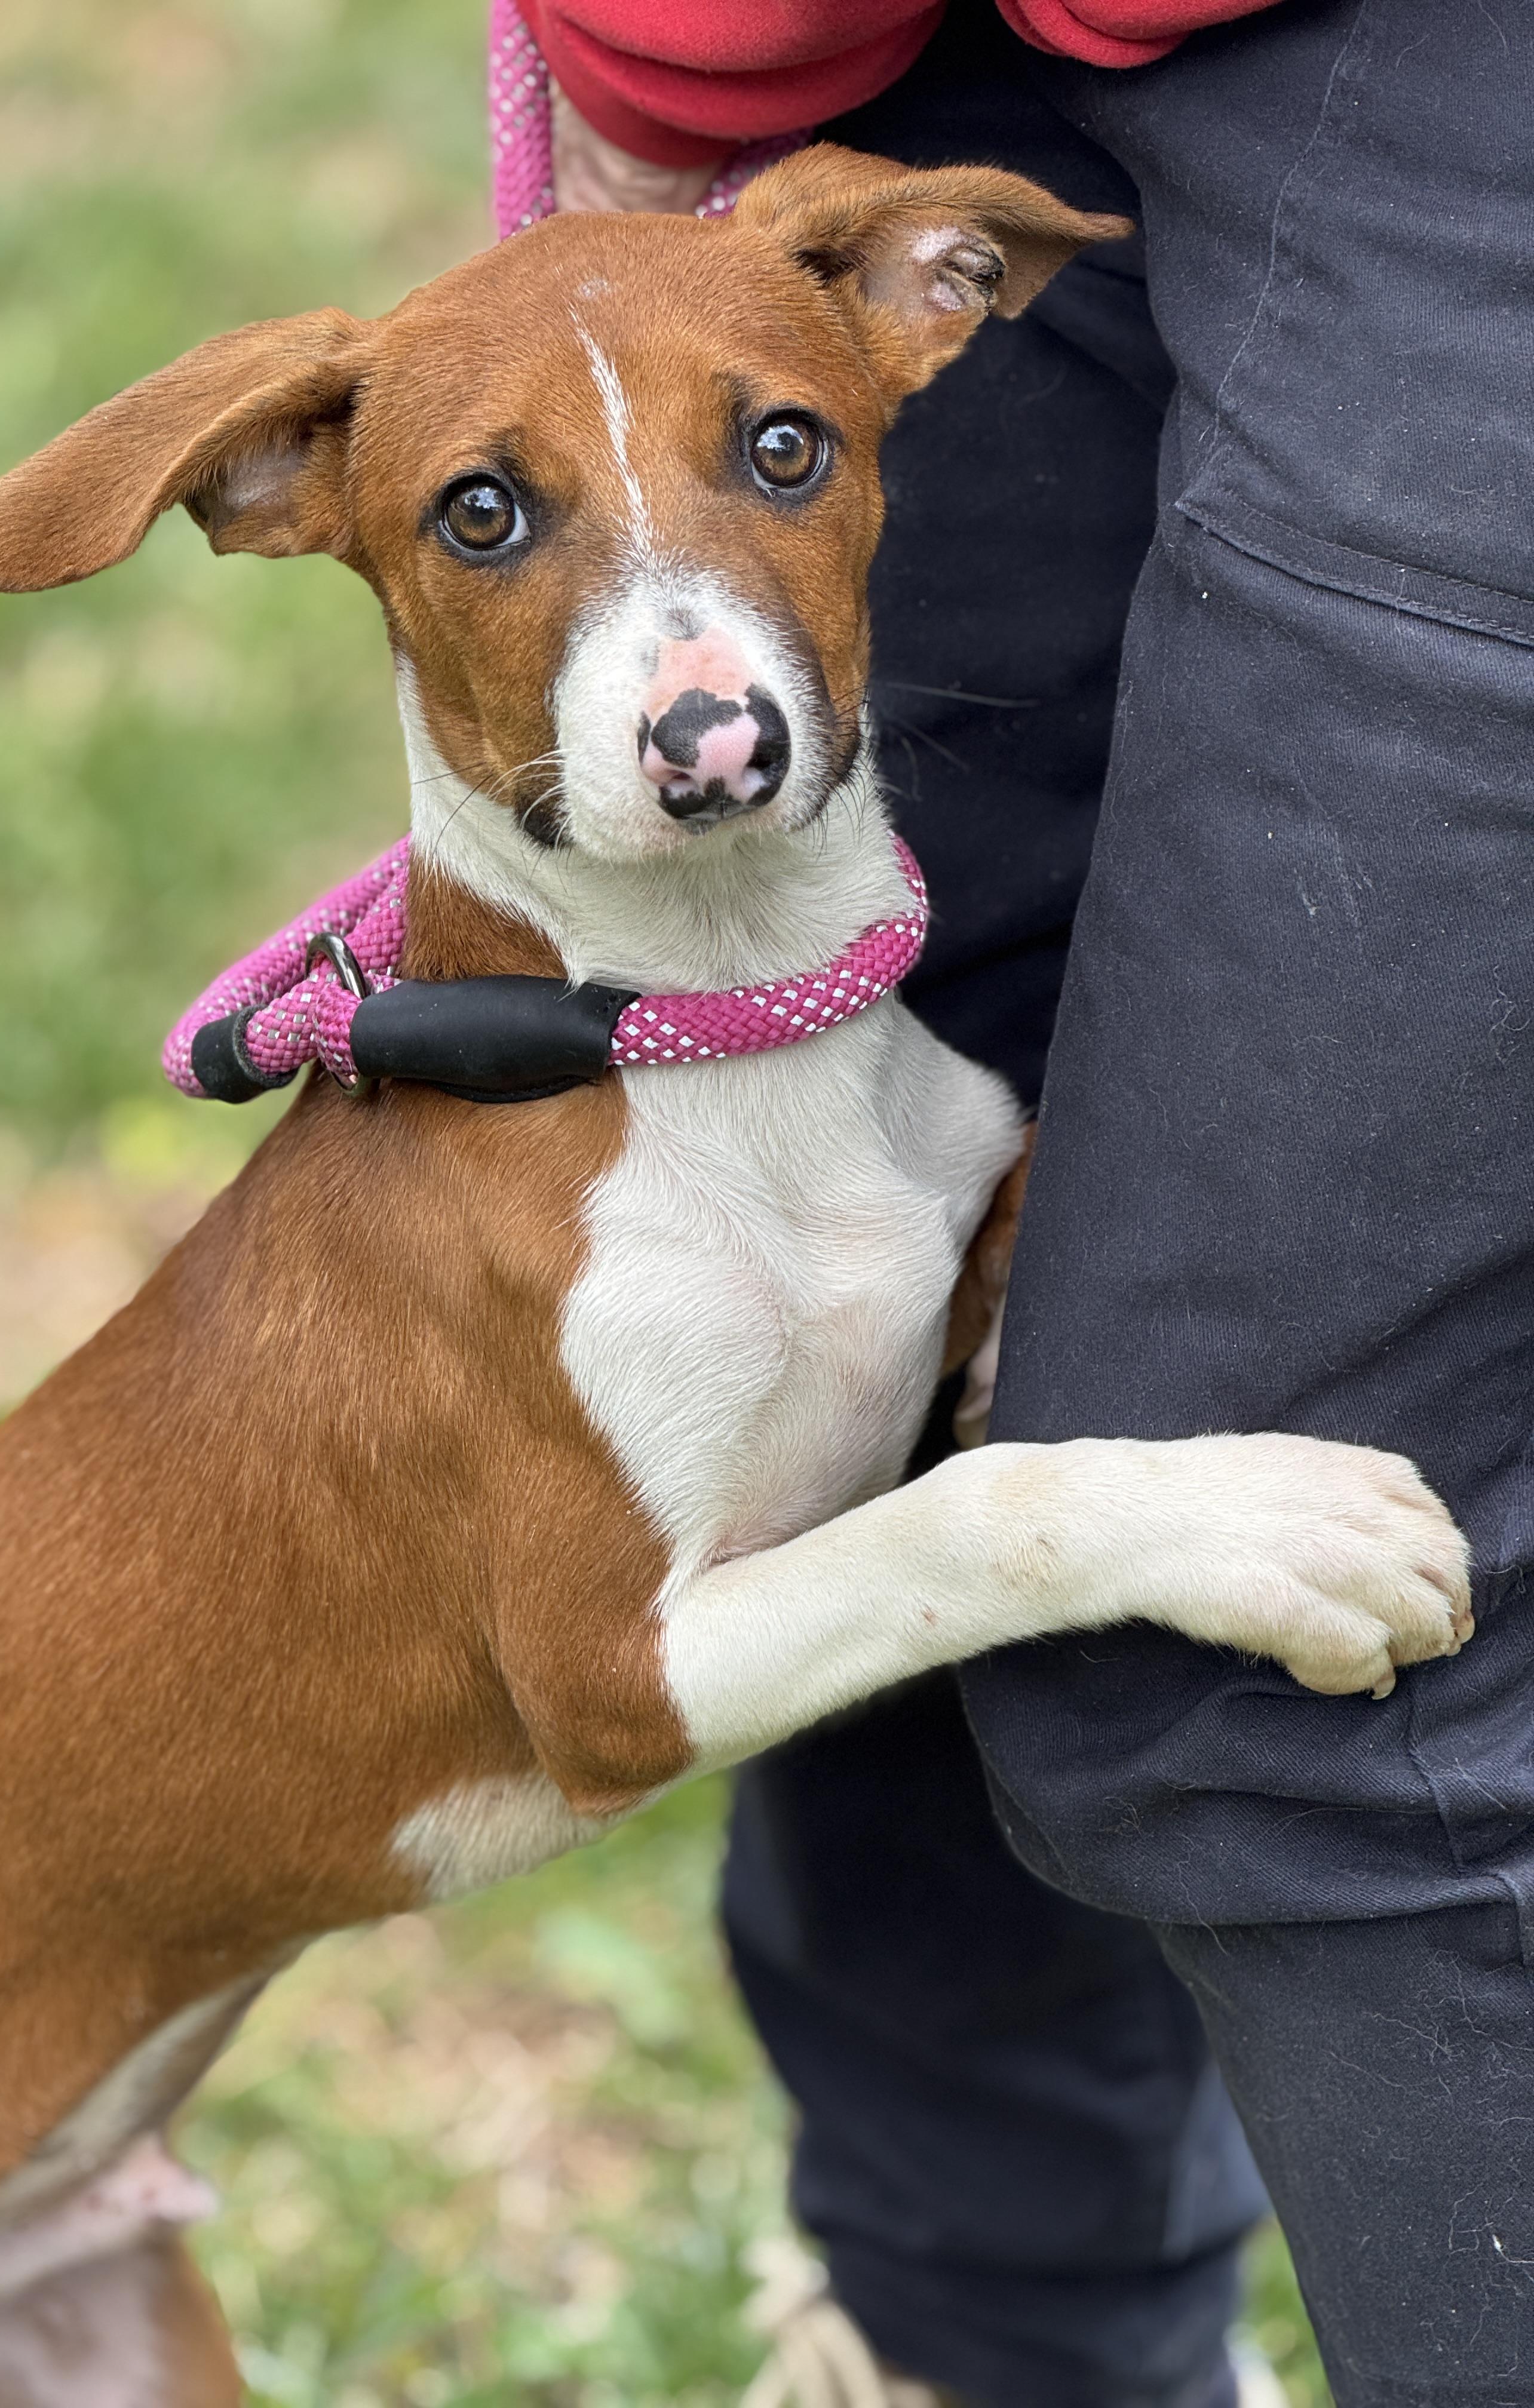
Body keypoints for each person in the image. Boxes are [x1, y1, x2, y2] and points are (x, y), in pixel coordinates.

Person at [486, 4, 1534, 2405]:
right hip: (906, 71)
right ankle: (996, 2346)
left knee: (1305, 1632)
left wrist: (683, 58)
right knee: (858, 1305)